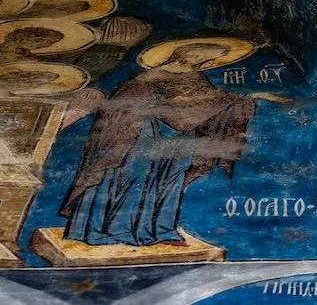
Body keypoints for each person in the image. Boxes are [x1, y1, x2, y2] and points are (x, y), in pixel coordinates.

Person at [59, 40, 283, 247]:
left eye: (210, 59)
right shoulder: (149, 77)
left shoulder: (195, 77)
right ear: (187, 55)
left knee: (172, 177)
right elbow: (130, 106)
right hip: (140, 134)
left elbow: (207, 101)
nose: (207, 62)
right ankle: (115, 230)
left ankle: (159, 229)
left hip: (176, 137)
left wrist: (247, 98)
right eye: (204, 57)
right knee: (134, 177)